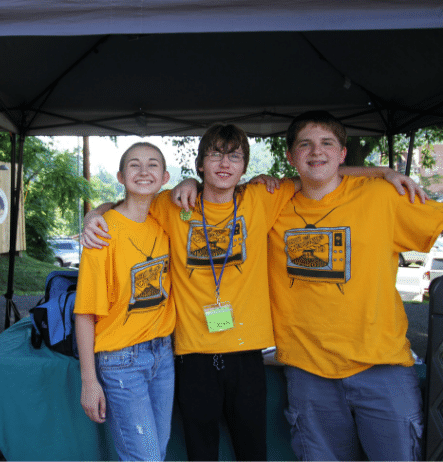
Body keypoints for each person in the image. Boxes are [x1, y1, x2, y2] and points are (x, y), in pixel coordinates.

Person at [82, 124, 424, 461]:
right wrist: (95, 215)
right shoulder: (175, 204)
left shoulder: (264, 197)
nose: (224, 163)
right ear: (200, 165)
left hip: (247, 357)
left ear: (246, 168)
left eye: (234, 156)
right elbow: (128, 203)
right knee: (200, 452)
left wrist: (382, 172)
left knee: (252, 452)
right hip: (191, 356)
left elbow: (319, 169)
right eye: (215, 155)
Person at [267, 110, 442, 461]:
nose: (316, 152)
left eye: (327, 143)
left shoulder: (382, 196)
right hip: (308, 372)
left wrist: (384, 173)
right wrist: (188, 184)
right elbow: (218, 194)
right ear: (290, 156)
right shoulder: (271, 203)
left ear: (343, 153)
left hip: (382, 368)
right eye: (305, 144)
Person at [74, 142, 176, 461]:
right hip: (122, 361)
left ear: (165, 177)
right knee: (144, 457)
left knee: (156, 451)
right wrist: (89, 381)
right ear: (120, 175)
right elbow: (85, 313)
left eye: (152, 165)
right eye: (134, 165)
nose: (143, 171)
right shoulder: (102, 233)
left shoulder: (165, 223)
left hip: (163, 353)